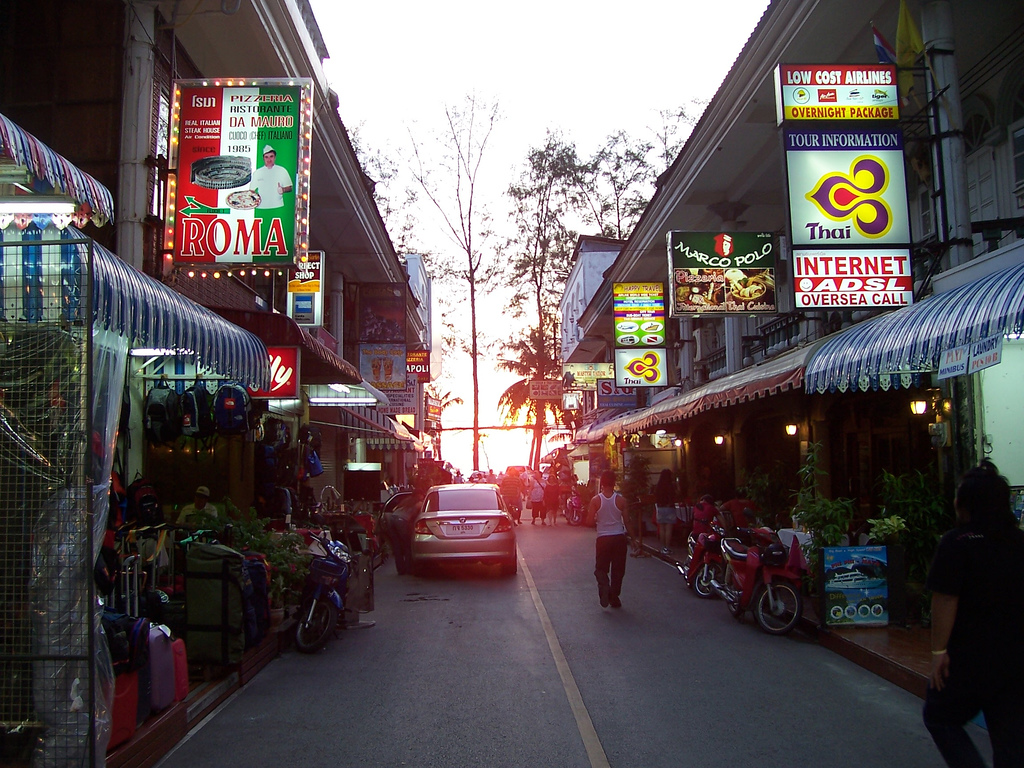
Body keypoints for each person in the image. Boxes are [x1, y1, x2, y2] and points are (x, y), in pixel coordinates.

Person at [922, 459, 1024, 767]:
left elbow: (945, 599)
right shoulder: (1019, 542)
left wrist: (939, 650)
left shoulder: (957, 543)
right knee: (1010, 739)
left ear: (966, 503)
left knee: (939, 716)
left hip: (969, 656)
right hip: (1016, 657)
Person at [588, 470, 628, 608]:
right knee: (618, 569)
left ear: (602, 483)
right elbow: (628, 521)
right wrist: (634, 539)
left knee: (601, 568)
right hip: (618, 537)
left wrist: (596, 518)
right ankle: (614, 596)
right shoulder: (621, 500)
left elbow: (589, 522)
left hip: (603, 538)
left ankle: (604, 586)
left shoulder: (596, 501)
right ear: (614, 483)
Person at [654, 469, 678, 555]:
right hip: (669, 508)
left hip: (660, 507)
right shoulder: (671, 486)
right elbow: (674, 496)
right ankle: (667, 547)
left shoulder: (659, 486)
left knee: (661, 528)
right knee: (668, 528)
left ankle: (662, 547)